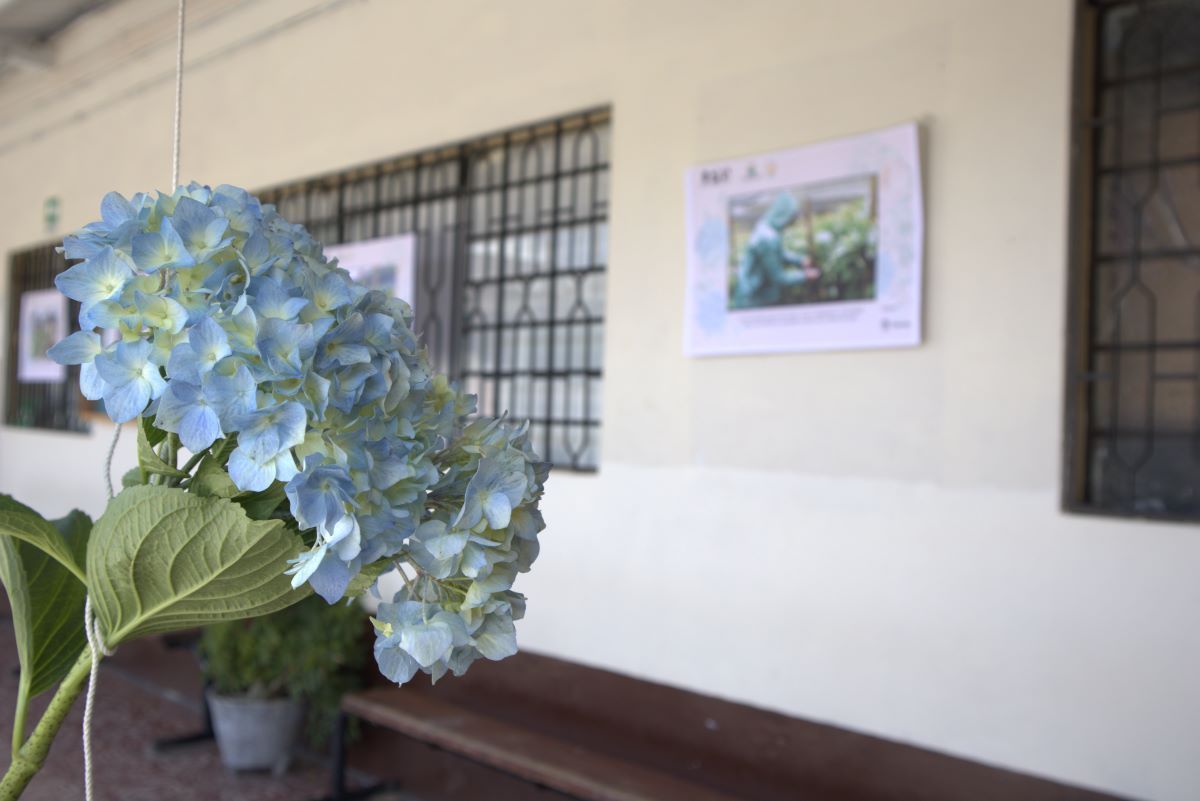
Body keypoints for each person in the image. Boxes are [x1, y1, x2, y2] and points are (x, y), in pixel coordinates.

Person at [732, 191, 820, 308]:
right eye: (790, 219)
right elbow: (779, 277)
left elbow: (778, 254)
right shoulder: (767, 239)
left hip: (755, 294)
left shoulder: (766, 227)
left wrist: (800, 260)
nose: (790, 223)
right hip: (753, 300)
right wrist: (805, 275)